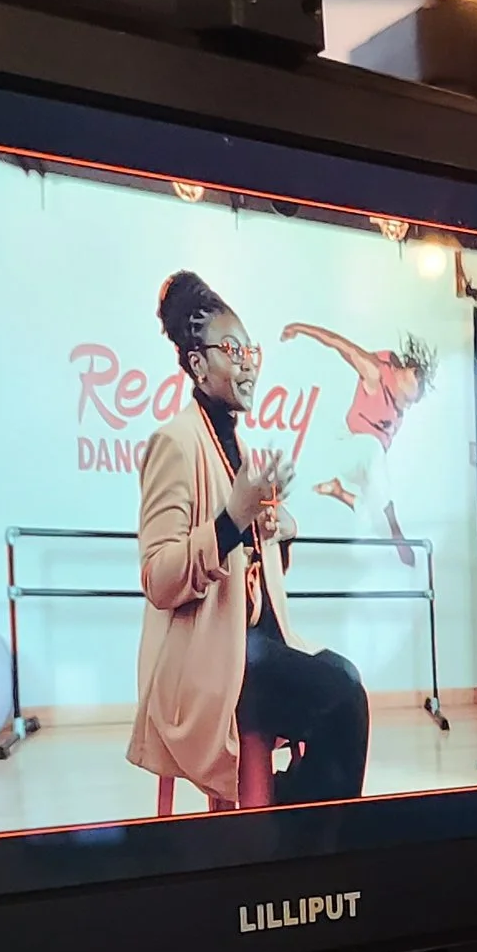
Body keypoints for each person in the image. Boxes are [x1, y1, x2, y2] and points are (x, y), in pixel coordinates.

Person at [131, 273, 371, 809]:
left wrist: (279, 528)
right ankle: (301, 830)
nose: (248, 363)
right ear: (198, 366)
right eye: (232, 350)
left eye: (251, 350)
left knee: (346, 679)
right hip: (209, 659)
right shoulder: (175, 442)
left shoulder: (239, 444)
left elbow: (250, 562)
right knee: (341, 699)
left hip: (255, 643)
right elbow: (159, 578)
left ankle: (293, 820)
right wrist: (233, 520)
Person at [282, 319, 434, 566]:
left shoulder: (401, 402)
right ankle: (396, 533)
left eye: (410, 404)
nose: (404, 407)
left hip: (364, 462)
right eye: (405, 399)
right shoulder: (375, 372)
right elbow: (339, 343)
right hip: (345, 447)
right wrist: (299, 328)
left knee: (374, 510)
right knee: (373, 451)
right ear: (400, 378)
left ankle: (339, 492)